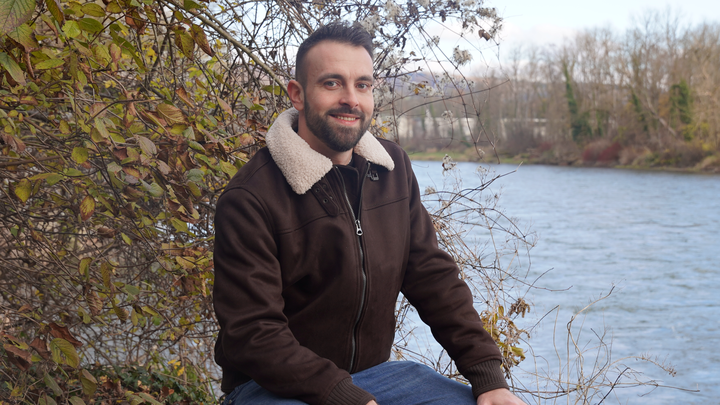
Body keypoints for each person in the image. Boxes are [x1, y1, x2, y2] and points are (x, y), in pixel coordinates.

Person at [213, 21, 527, 405]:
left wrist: (488, 376)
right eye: (332, 83)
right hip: (269, 388)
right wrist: (345, 397)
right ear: (297, 94)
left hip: (375, 378)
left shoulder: (392, 169)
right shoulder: (251, 198)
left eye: (362, 85)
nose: (351, 99)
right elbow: (253, 332)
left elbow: (431, 277)